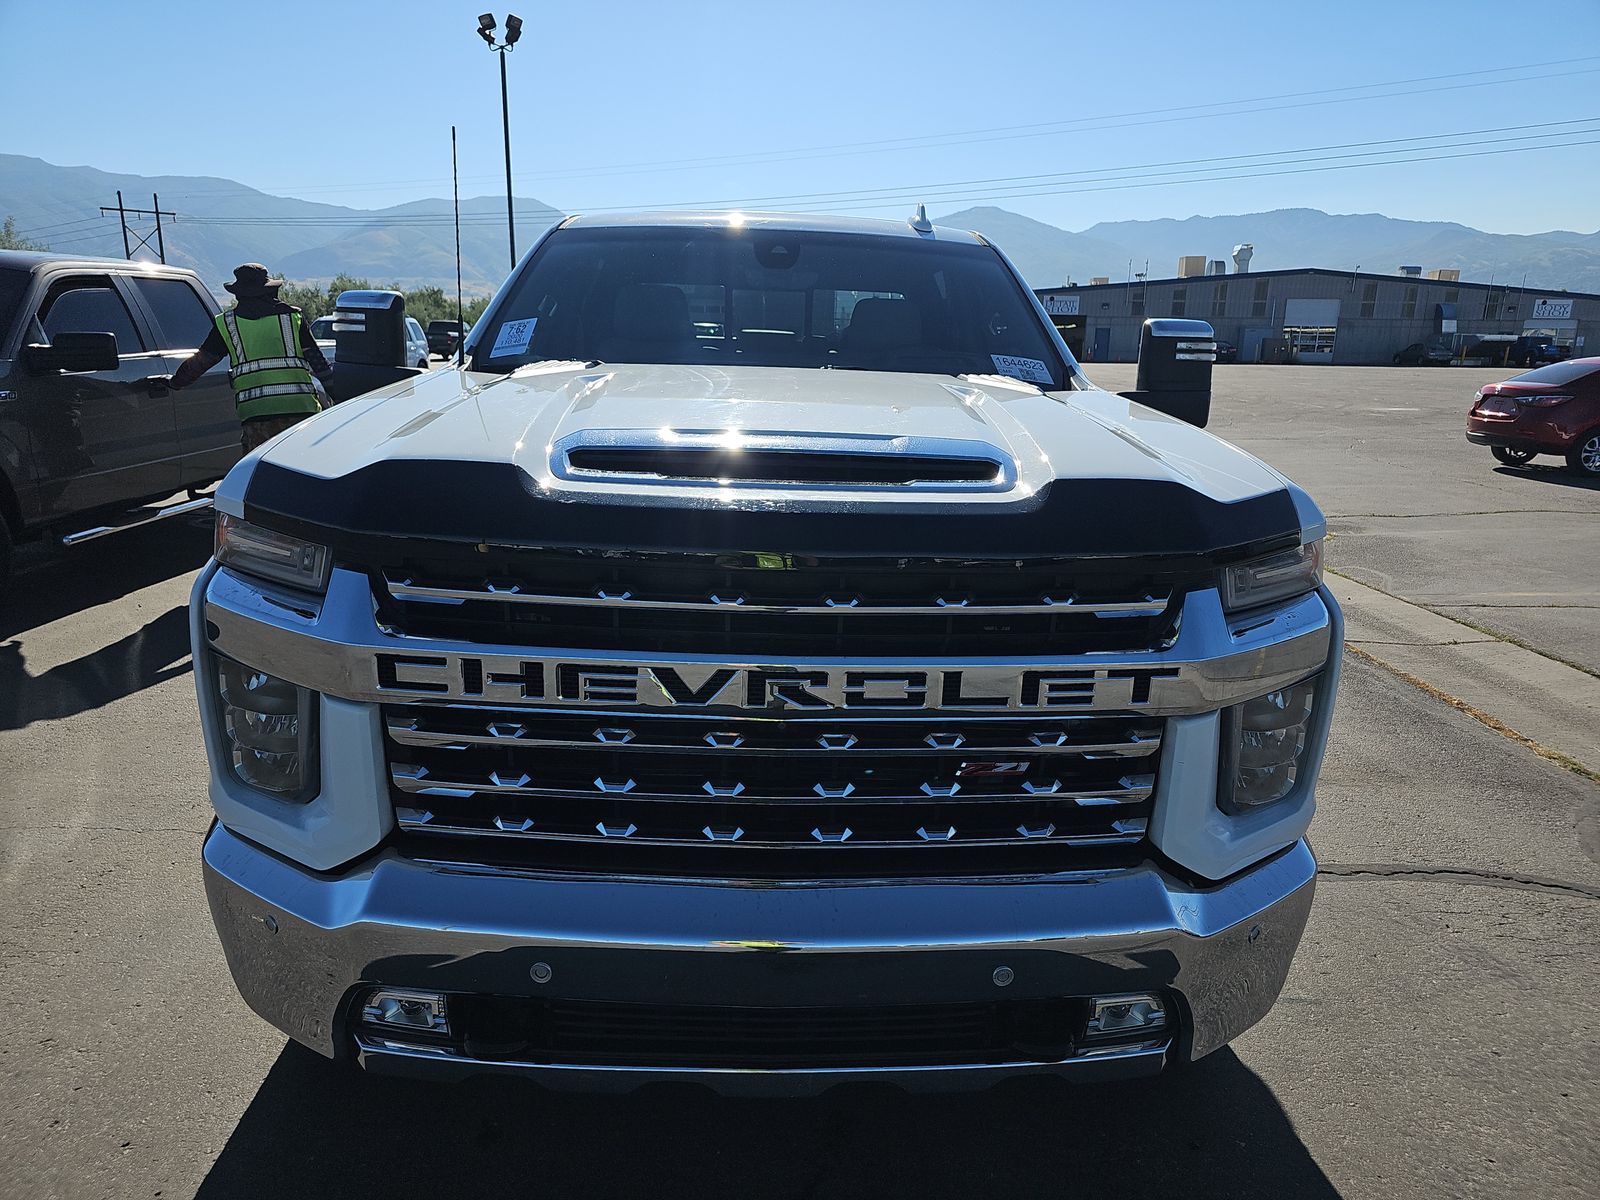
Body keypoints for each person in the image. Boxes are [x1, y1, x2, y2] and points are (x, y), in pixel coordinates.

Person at [170, 263, 333, 452]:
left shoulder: (227, 324)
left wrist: (175, 382)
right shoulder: (291, 317)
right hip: (301, 411)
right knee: (303, 469)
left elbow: (199, 364)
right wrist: (339, 394)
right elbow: (318, 363)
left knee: (262, 472)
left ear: (239, 294)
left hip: (256, 418)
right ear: (270, 290)